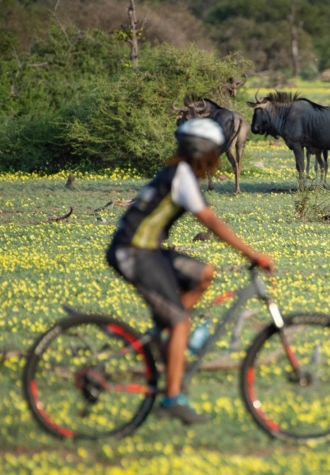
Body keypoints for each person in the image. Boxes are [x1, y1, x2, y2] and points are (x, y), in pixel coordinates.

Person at [106, 118, 274, 425]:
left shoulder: (179, 173)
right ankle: (171, 398)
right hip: (133, 253)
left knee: (203, 273)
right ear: (205, 152)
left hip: (148, 250)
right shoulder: (181, 176)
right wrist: (253, 254)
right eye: (216, 152)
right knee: (182, 323)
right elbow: (210, 221)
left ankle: (165, 336)